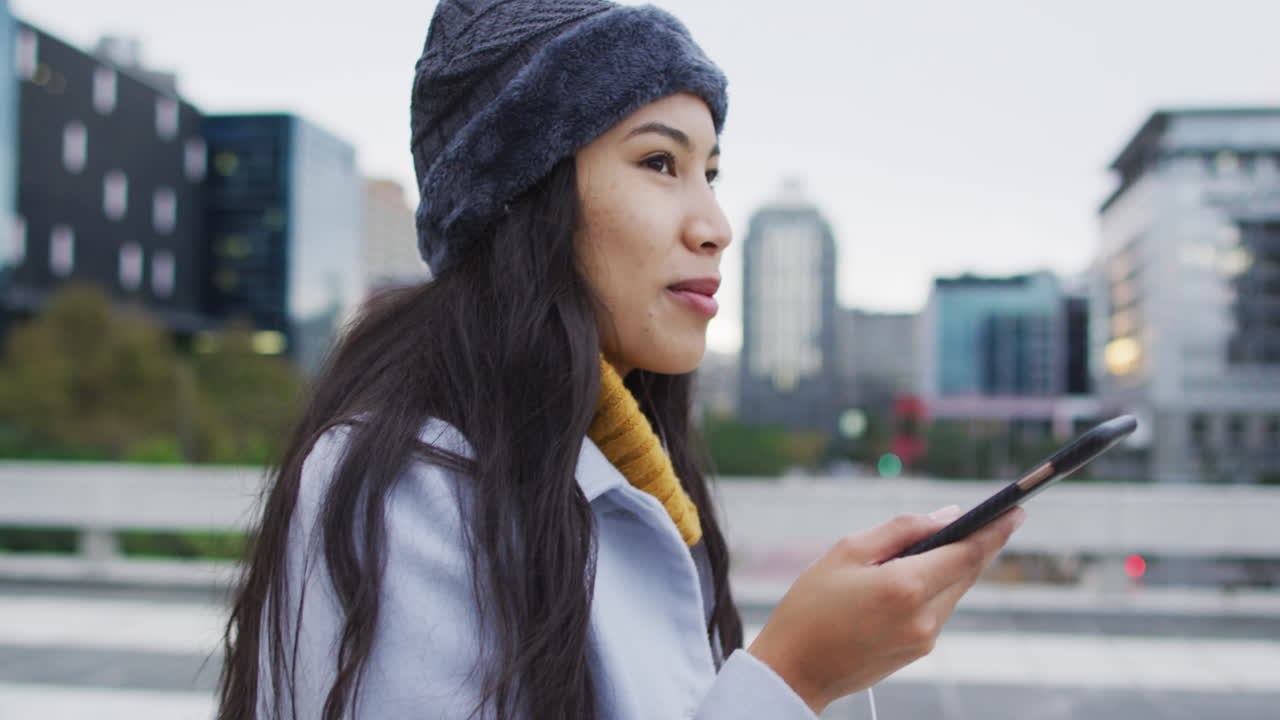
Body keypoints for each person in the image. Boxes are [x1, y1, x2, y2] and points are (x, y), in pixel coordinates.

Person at [215, 1, 1024, 718]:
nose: (715, 224)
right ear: (523, 196)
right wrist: (795, 677)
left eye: (710, 172)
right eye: (659, 163)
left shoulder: (629, 472)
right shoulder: (402, 487)